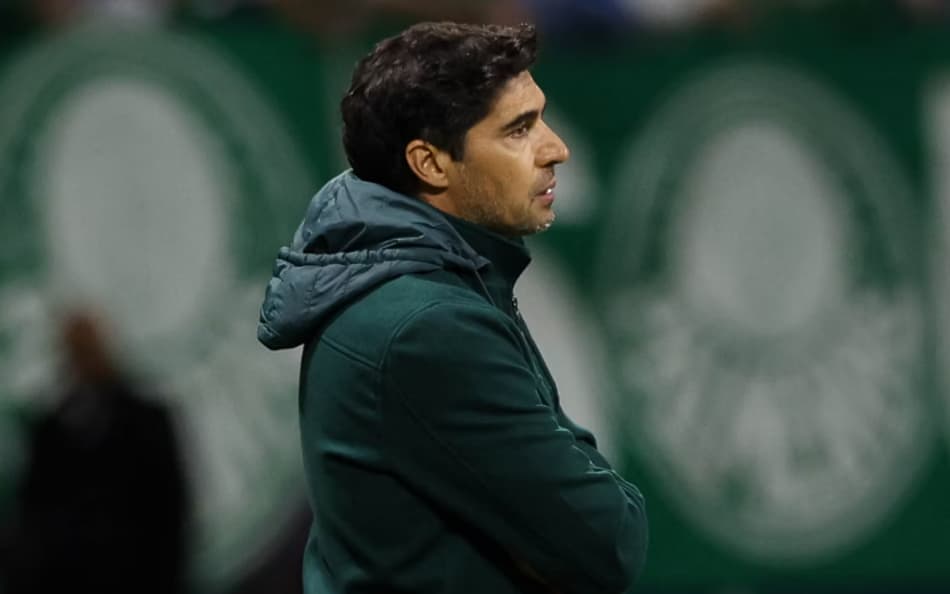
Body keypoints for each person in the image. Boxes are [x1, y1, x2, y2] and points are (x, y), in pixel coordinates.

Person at [257, 22, 648, 594]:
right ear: (431, 164)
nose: (556, 149)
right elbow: (609, 538)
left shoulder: (402, 288)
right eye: (519, 129)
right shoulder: (429, 326)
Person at [3, 310, 189, 594]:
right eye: (75, 349)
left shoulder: (148, 422)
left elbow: (170, 512)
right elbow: (34, 516)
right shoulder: (50, 431)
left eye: (87, 347)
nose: (83, 357)